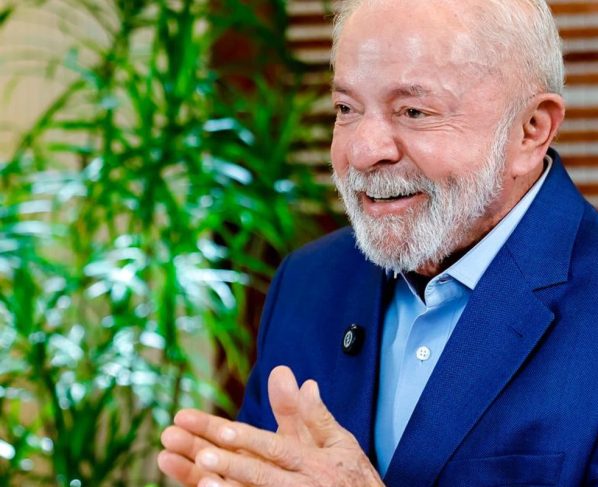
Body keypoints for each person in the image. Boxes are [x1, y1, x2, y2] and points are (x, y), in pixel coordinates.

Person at [157, 0, 598, 485]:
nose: (364, 151)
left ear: (530, 131)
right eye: (346, 109)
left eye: (413, 111)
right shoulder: (307, 283)